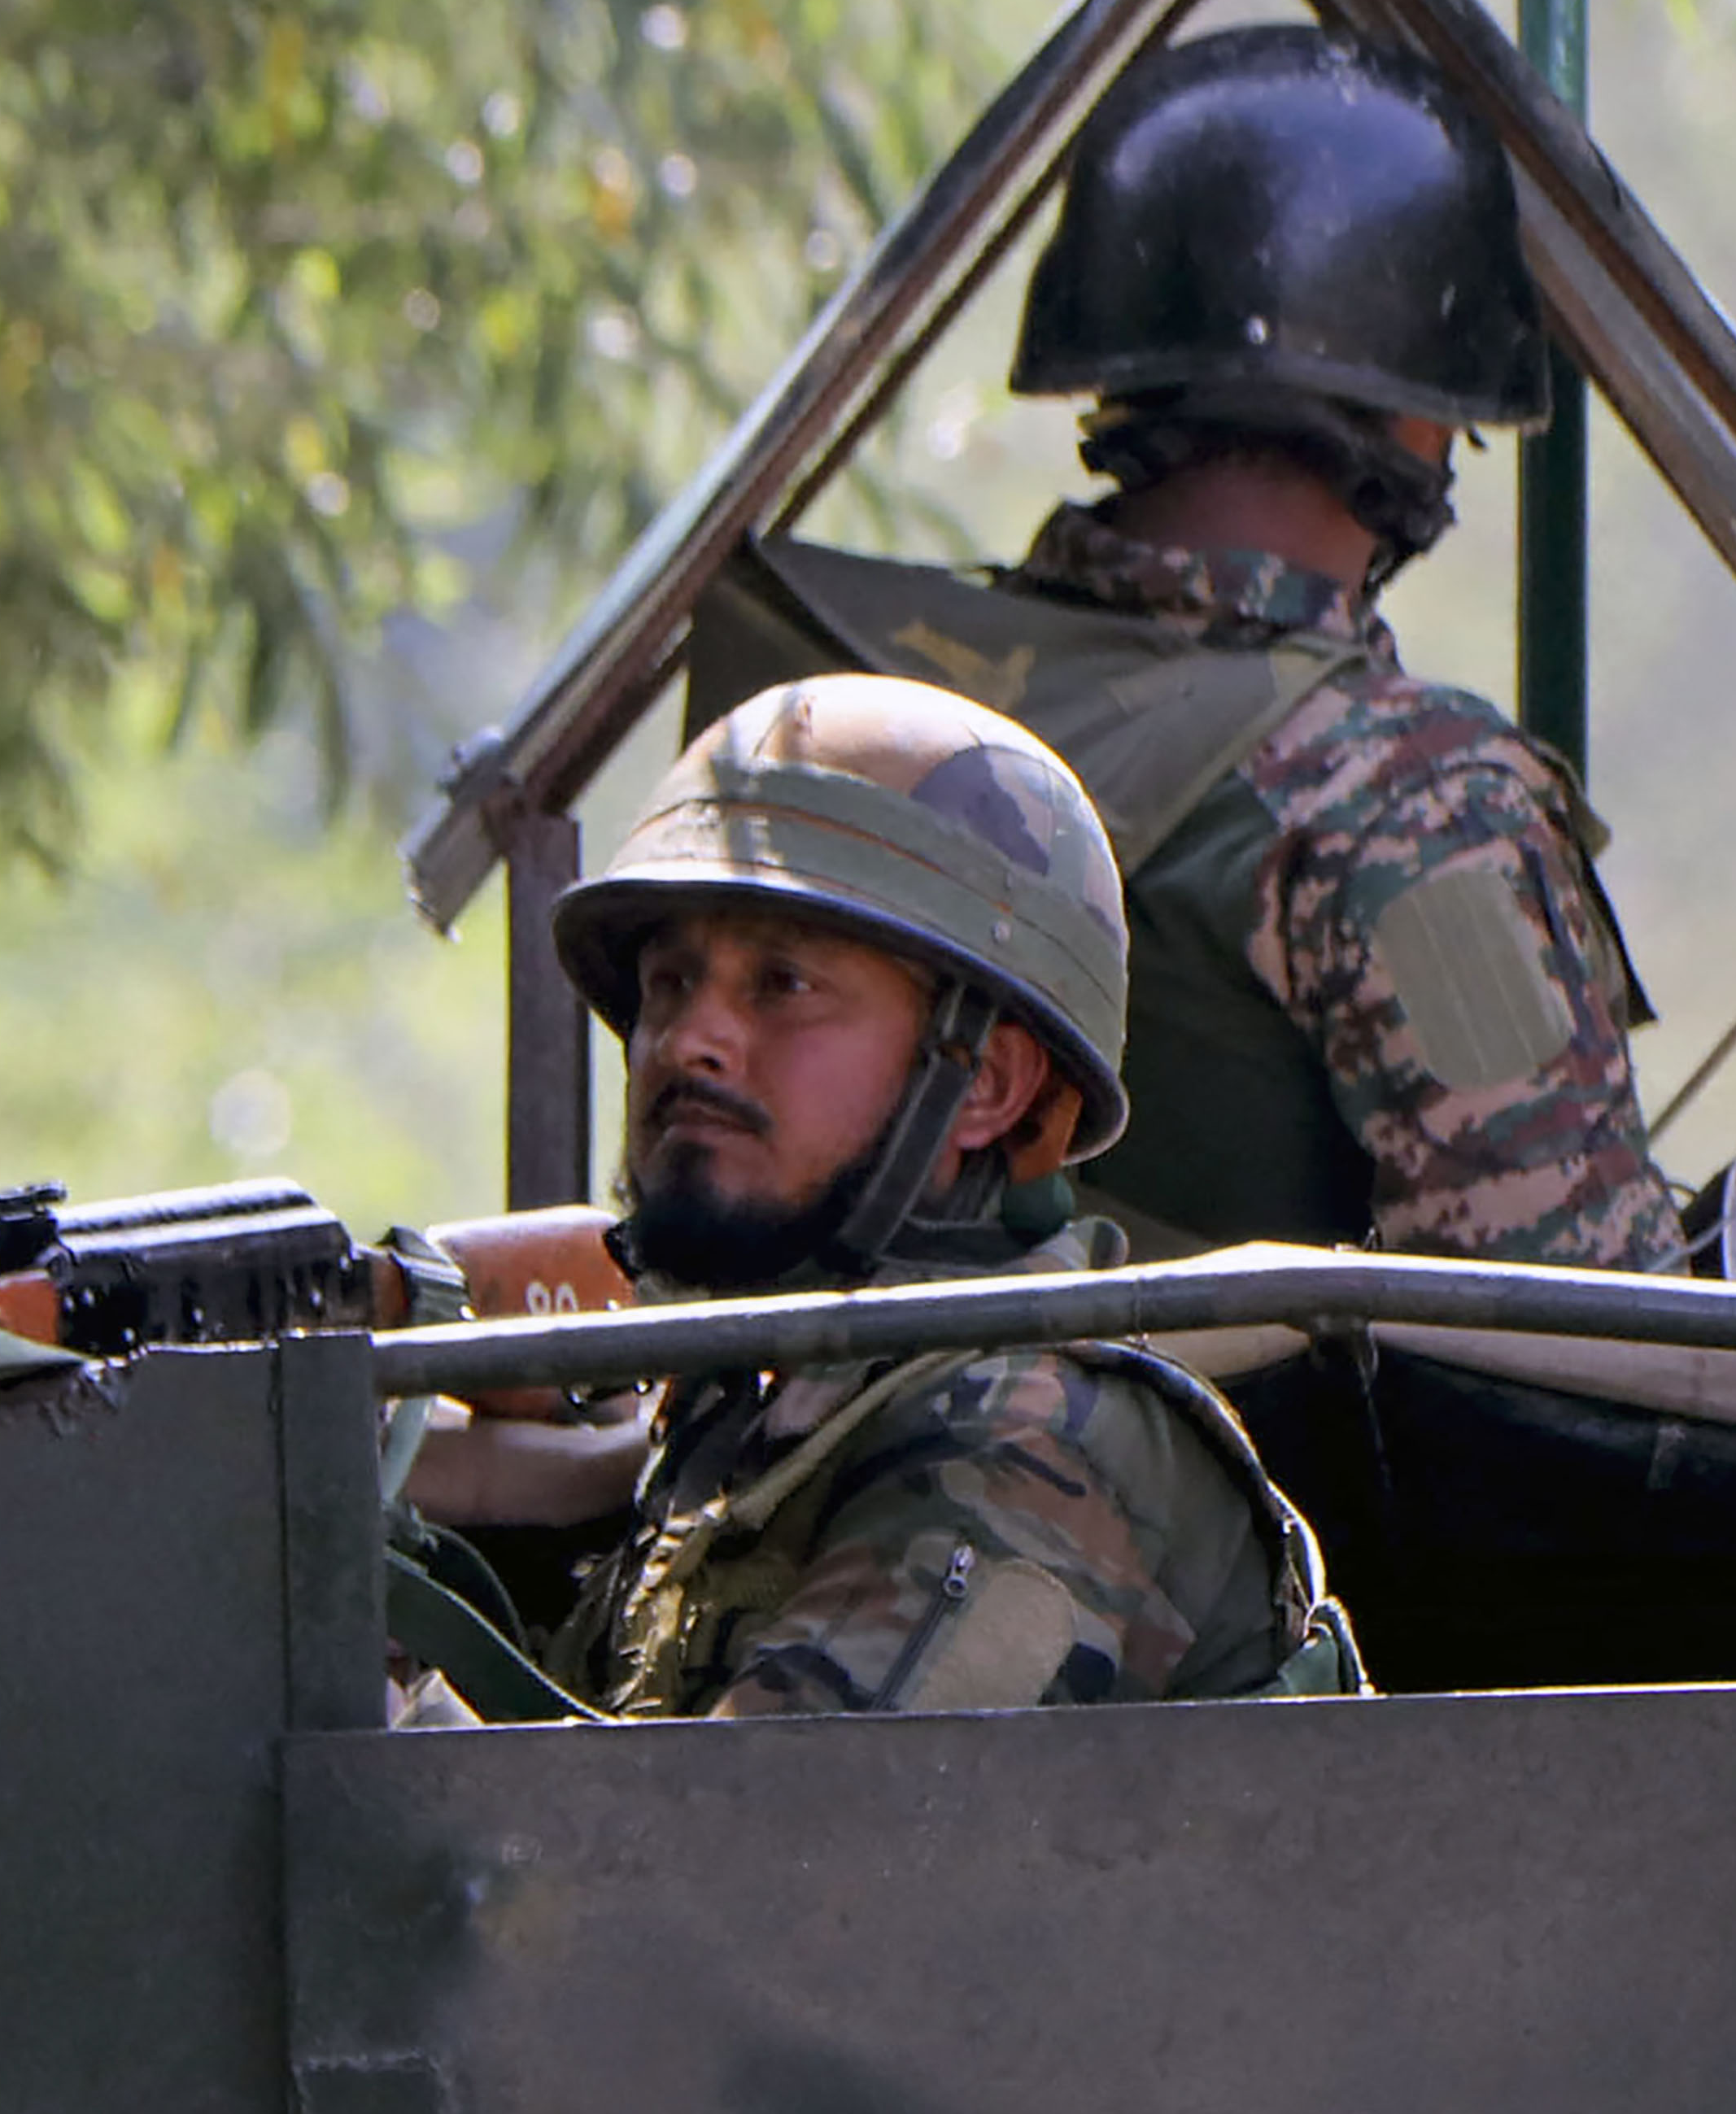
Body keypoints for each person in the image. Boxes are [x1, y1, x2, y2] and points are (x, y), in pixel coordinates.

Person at [739, 23, 1686, 1271]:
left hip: (813, 1447)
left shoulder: (850, 700)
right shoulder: (1409, 799)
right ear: (1418, 409)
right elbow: (1579, 1320)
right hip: (1223, 1467)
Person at [480, 675, 1337, 1720]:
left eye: (782, 985)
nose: (690, 1039)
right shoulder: (766, 1397)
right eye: (669, 983)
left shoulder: (1029, 1439)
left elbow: (714, 1859)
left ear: (986, 1084)